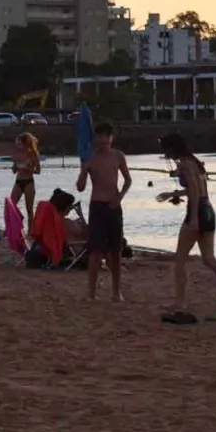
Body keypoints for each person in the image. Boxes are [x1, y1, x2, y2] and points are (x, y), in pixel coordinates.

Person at [157, 132, 216, 321]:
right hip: (209, 210)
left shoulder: (185, 164)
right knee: (209, 258)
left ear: (172, 148)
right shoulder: (194, 162)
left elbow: (194, 190)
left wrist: (194, 217)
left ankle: (180, 302)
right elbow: (198, 189)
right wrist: (172, 194)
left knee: (179, 260)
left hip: (198, 212)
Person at [76, 122, 132, 302]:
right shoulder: (91, 158)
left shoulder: (118, 156)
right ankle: (91, 293)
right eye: (99, 136)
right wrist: (83, 170)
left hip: (114, 206)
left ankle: (116, 292)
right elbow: (80, 187)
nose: (102, 140)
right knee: (95, 252)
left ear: (111, 138)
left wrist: (120, 197)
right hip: (97, 205)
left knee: (116, 251)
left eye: (105, 136)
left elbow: (128, 180)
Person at [11, 133, 41, 235]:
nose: (19, 145)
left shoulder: (33, 154)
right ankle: (13, 228)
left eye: (21, 143)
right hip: (18, 181)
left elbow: (38, 171)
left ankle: (30, 231)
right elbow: (14, 170)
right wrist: (16, 166)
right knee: (12, 205)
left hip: (29, 182)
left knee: (29, 208)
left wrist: (27, 169)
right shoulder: (17, 154)